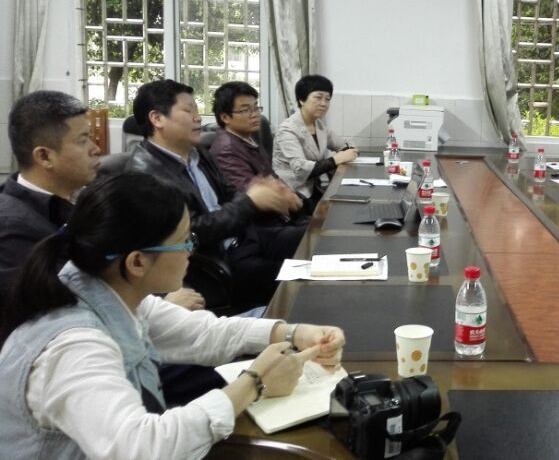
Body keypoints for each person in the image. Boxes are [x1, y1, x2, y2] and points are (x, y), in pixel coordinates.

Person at [0, 172, 345, 459]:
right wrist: (254, 383)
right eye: (184, 241)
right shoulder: (74, 348)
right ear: (137, 262)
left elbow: (203, 333)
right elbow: (143, 448)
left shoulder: (111, 288)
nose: (191, 250)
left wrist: (294, 332)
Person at [0, 90, 203, 312]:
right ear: (44, 156)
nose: (96, 149)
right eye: (83, 140)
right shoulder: (13, 228)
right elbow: (63, 310)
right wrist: (163, 307)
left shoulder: (88, 195)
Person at [127, 79, 305, 311]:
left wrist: (262, 196)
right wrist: (251, 201)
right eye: (188, 111)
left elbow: (229, 193)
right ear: (157, 119)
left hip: (244, 238)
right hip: (215, 262)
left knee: (311, 239)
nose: (198, 118)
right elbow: (191, 232)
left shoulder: (197, 153)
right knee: (304, 275)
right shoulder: (145, 175)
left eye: (197, 111)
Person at [273, 74, 358, 209]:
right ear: (302, 99)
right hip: (292, 194)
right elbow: (300, 168)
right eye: (318, 97)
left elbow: (346, 145)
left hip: (313, 189)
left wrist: (347, 153)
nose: (324, 103)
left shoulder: (318, 125)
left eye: (327, 99)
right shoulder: (287, 129)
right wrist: (336, 159)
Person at [209, 81, 277, 190]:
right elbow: (251, 193)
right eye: (245, 110)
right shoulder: (226, 151)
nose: (255, 114)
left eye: (256, 108)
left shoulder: (249, 137)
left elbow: (271, 176)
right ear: (225, 117)